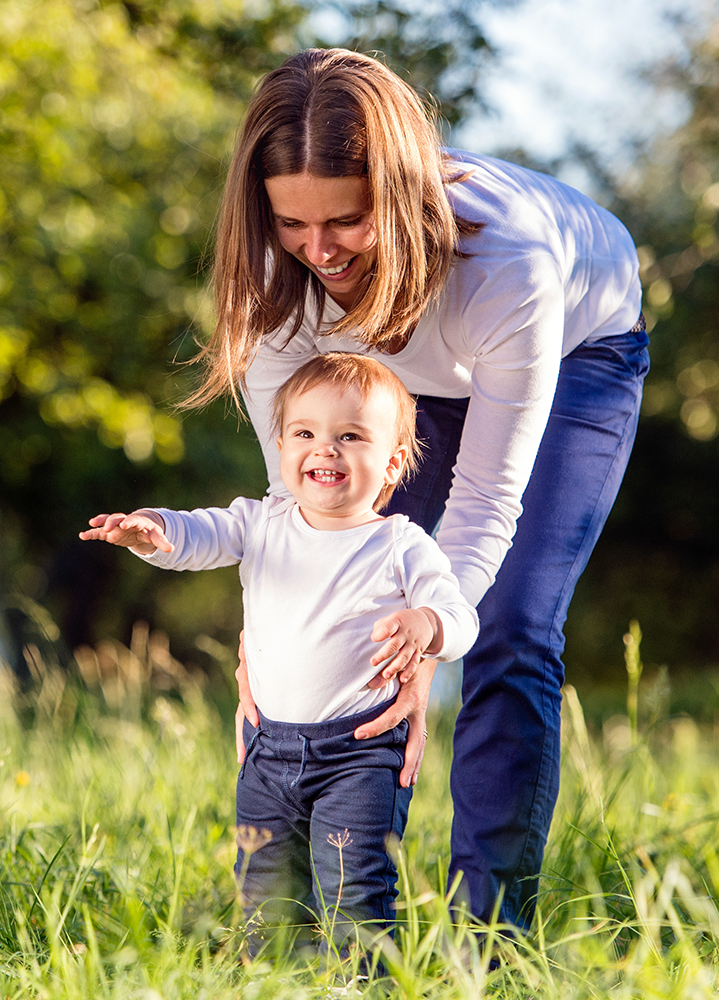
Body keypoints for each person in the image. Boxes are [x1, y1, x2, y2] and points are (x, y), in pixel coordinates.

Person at [186, 48, 649, 929]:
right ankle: (331, 926)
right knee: (352, 620)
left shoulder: (509, 264)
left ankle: (491, 935)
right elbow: (302, 513)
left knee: (509, 627)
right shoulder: (281, 281)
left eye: (347, 219)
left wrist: (435, 631)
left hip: (575, 356)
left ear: (396, 197)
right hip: (398, 371)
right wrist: (271, 628)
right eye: (292, 222)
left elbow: (484, 507)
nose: (320, 250)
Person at [81, 353, 478, 959]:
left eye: (351, 436)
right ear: (282, 445)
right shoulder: (261, 522)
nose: (325, 448)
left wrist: (427, 622)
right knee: (264, 891)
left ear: (394, 461)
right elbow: (199, 534)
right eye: (305, 433)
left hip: (361, 753)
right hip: (267, 752)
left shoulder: (401, 544)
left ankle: (359, 985)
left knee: (354, 888)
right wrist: (153, 530)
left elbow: (461, 619)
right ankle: (272, 978)